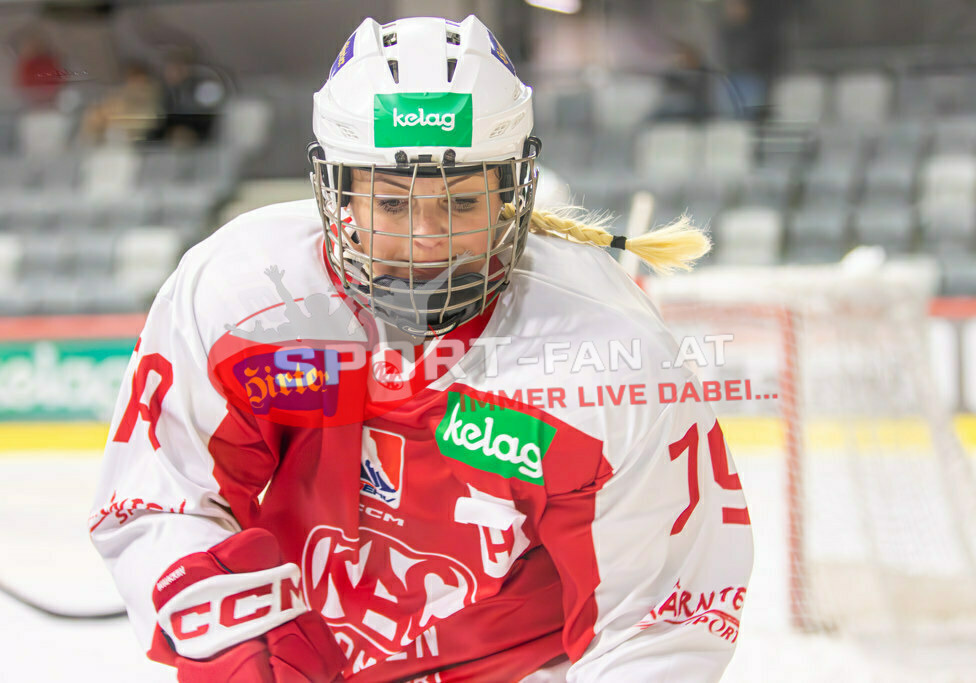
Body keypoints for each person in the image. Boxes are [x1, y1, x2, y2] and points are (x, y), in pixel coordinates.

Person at [89, 15, 753, 682]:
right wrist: (239, 650)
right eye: (394, 203)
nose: (426, 240)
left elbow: (658, 617)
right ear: (339, 192)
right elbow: (162, 496)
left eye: (461, 203)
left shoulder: (608, 348)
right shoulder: (244, 298)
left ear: (510, 194)